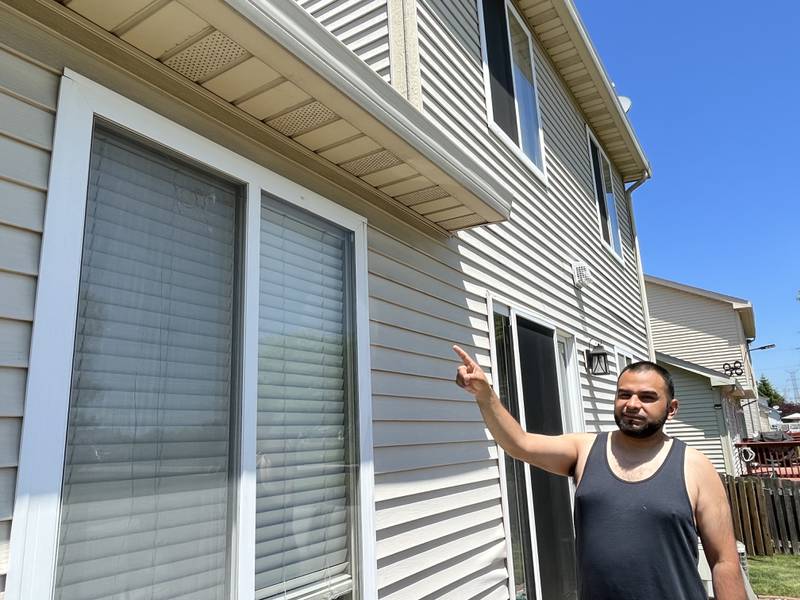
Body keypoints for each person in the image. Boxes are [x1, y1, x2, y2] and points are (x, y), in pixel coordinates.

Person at [452, 345, 747, 600]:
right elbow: (520, 444)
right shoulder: (585, 449)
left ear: (671, 409)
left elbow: (724, 561)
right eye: (624, 395)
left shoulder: (695, 466)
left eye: (647, 397)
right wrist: (485, 395)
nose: (632, 404)